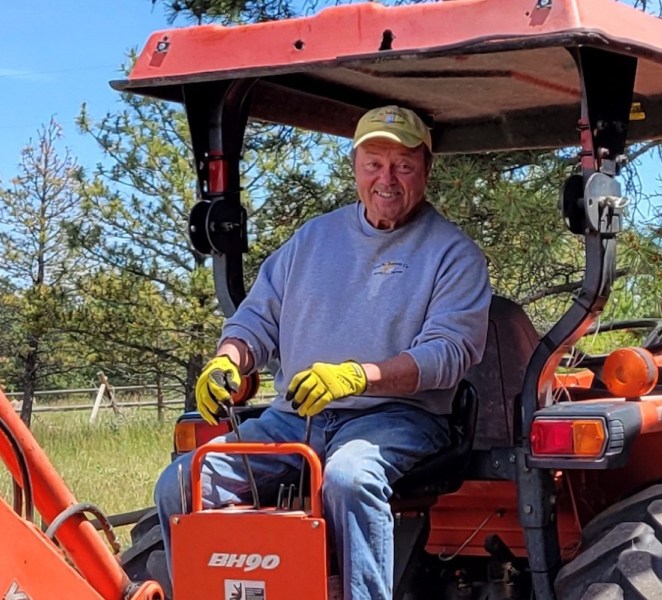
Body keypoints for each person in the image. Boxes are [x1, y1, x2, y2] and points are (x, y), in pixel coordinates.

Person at [154, 105, 492, 599]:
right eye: (374, 163)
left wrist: (360, 376)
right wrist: (229, 357)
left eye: (403, 165)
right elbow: (256, 319)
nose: (387, 179)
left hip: (397, 418)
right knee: (181, 484)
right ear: (355, 165)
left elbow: (449, 353)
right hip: (293, 420)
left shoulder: (452, 253)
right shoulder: (313, 240)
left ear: (427, 168)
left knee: (349, 477)